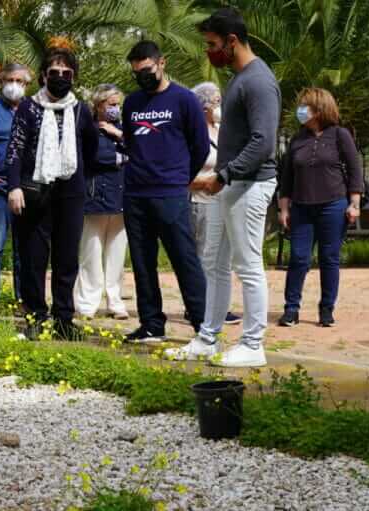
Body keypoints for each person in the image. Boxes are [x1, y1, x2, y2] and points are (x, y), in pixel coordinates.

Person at [170, 9, 280, 367]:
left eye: (212, 44)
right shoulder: (239, 78)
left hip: (249, 185)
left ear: (232, 41)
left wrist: (221, 176)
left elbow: (263, 142)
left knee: (248, 265)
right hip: (230, 185)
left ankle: (252, 344)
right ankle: (207, 338)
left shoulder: (258, 81)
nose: (209, 51)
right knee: (214, 263)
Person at [6, 47, 99, 340]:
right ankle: (35, 317)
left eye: (66, 73)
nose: (60, 77)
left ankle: (63, 320)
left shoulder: (81, 110)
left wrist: (82, 179)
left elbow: (91, 149)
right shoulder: (28, 107)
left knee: (66, 258)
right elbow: (15, 149)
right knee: (33, 258)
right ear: (44, 76)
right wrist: (14, 186)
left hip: (70, 193)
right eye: (54, 72)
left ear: (73, 77)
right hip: (35, 192)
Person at [121, 41, 210, 343]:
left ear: (162, 63)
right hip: (135, 193)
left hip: (171, 193)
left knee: (184, 258)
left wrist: (180, 178)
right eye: (136, 72)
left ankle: (203, 324)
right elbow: (131, 143)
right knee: (142, 261)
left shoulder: (184, 99)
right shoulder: (132, 103)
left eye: (147, 70)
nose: (142, 76)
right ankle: (151, 324)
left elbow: (200, 146)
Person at [277, 88, 363, 327]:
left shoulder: (340, 135)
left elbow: (355, 171)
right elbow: (287, 178)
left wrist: (354, 204)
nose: (301, 111)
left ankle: (326, 309)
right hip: (302, 208)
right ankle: (291, 309)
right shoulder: (297, 139)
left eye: (305, 106)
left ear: (320, 109)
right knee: (298, 258)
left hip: (333, 206)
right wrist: (284, 209)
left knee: (329, 258)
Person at [74, 84, 129, 321]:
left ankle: (115, 301)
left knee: (116, 255)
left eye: (118, 104)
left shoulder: (123, 129)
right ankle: (87, 303)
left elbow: (140, 150)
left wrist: (119, 135)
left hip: (121, 199)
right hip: (95, 198)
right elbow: (94, 157)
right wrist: (123, 157)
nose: (116, 108)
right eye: (111, 104)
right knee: (91, 253)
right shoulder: (89, 128)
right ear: (98, 105)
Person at [189, 82, 241, 326]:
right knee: (203, 255)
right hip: (200, 200)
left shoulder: (222, 130)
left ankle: (219, 305)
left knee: (222, 257)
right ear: (204, 107)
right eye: (216, 101)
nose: (220, 105)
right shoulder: (193, 132)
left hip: (223, 199)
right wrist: (204, 182)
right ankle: (200, 306)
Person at [0, 63, 32, 314]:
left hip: (27, 189)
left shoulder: (33, 108)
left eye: (19, 81)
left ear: (27, 84)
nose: (14, 85)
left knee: (25, 248)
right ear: (1, 81)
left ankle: (25, 301)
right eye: (9, 80)